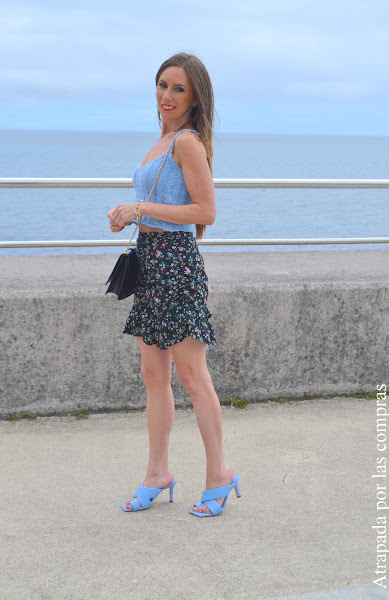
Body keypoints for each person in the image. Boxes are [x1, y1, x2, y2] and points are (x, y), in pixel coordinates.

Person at [107, 52, 241, 517]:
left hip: (177, 265)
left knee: (191, 376)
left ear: (195, 97)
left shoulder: (186, 142)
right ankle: (157, 473)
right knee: (153, 376)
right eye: (163, 85)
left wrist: (141, 209)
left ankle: (219, 474)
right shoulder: (162, 140)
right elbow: (157, 202)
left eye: (178, 88)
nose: (167, 95)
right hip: (149, 261)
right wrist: (127, 215)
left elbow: (206, 212)